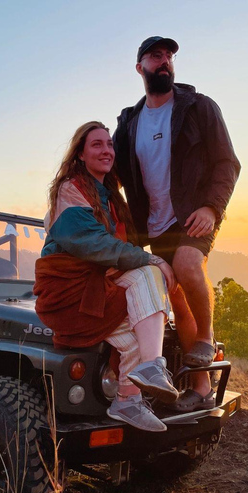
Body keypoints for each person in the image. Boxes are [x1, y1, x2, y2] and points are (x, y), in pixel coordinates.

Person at [113, 36, 241, 412]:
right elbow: (118, 174)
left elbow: (227, 163)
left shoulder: (198, 108)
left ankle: (207, 336)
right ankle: (200, 388)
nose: (165, 61)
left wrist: (212, 209)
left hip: (195, 215)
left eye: (169, 56)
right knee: (177, 301)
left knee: (187, 265)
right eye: (156, 56)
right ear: (141, 68)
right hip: (153, 225)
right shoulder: (130, 123)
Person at [33, 121, 179, 432]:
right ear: (81, 155)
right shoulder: (70, 190)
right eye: (97, 144)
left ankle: (127, 399)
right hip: (68, 292)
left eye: (109, 145)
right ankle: (152, 369)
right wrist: (151, 258)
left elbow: (122, 247)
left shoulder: (111, 198)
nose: (106, 150)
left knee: (142, 328)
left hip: (98, 286)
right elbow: (90, 242)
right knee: (146, 273)